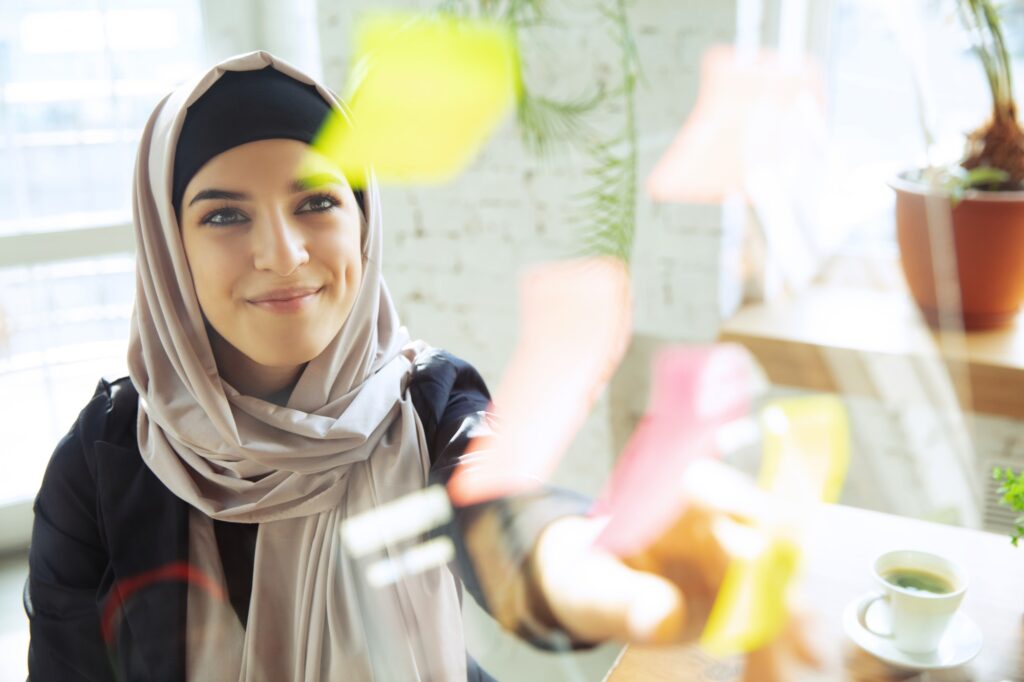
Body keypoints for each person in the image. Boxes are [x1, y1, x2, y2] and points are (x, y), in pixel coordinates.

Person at [25, 51, 816, 681]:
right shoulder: (102, 461)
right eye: (225, 215)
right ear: (170, 249)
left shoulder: (427, 400)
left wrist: (585, 566)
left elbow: (497, 512)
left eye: (317, 202)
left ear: (364, 222)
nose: (285, 254)